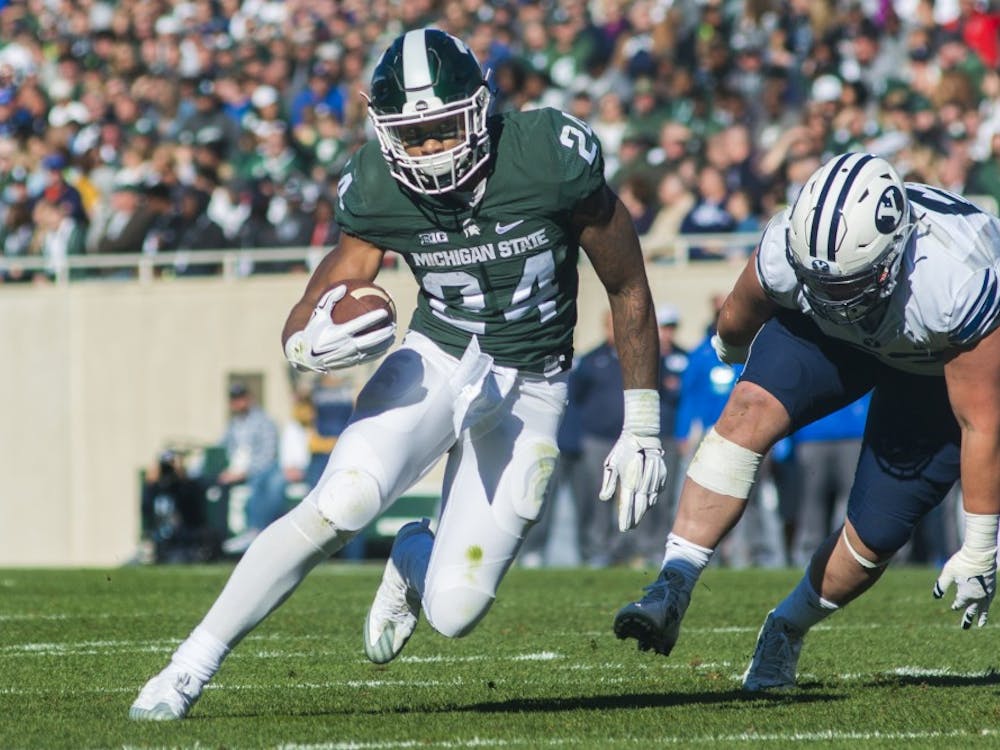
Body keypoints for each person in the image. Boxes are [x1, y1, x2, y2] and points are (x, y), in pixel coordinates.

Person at [129, 28, 665, 721]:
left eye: (444, 128)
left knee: (456, 611)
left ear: (480, 111)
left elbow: (627, 285)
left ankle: (412, 554)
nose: (432, 148)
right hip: (437, 357)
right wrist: (302, 338)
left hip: (533, 383)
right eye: (413, 135)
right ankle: (187, 668)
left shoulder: (547, 156)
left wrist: (642, 421)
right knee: (342, 501)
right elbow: (334, 279)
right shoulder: (380, 183)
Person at [613, 152, 1000, 691]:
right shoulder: (792, 248)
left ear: (893, 255)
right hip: (832, 337)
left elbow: (982, 423)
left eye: (846, 284)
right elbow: (736, 318)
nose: (833, 297)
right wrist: (735, 356)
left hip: (933, 366)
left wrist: (980, 545)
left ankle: (787, 626)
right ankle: (672, 583)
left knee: (876, 535)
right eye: (820, 282)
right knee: (747, 409)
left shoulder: (958, 280)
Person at [215, 382, 286, 556]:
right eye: (234, 399)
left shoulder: (264, 421)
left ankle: (255, 531)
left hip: (259, 471)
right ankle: (218, 540)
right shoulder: (233, 425)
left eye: (241, 398)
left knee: (264, 484)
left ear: (249, 399)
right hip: (235, 470)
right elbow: (220, 447)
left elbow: (268, 455)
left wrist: (243, 473)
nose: (238, 402)